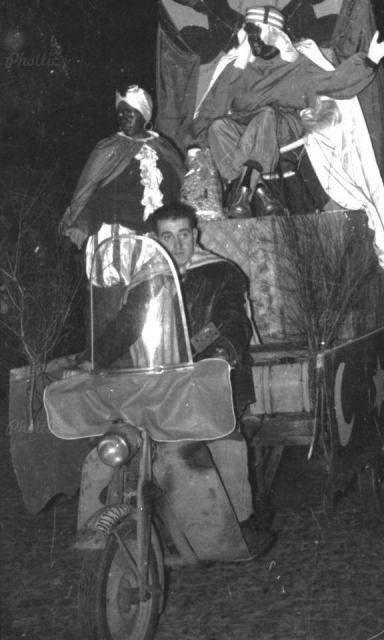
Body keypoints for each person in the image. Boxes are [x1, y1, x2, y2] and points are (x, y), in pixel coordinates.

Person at [85, 201, 270, 558]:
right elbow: (127, 324)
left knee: (224, 443)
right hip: (160, 385)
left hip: (214, 380)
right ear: (156, 240)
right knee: (117, 443)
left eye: (184, 234)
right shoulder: (148, 278)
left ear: (195, 235)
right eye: (167, 237)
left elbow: (233, 318)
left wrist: (222, 352)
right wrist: (91, 360)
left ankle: (241, 525)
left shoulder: (221, 272)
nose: (177, 244)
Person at [189, 5, 384, 218]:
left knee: (266, 116)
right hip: (245, 122)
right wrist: (195, 144)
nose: (255, 42)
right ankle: (261, 192)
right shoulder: (236, 69)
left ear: (276, 36)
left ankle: (244, 192)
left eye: (260, 35)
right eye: (251, 35)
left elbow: (335, 82)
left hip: (283, 123)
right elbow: (210, 108)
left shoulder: (298, 65)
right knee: (217, 127)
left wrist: (370, 59)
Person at [60, 84, 185, 275]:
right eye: (120, 113)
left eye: (130, 112)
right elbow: (92, 195)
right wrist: (82, 223)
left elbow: (179, 189)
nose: (124, 118)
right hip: (117, 243)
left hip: (159, 242)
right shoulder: (109, 148)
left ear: (144, 114)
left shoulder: (164, 148)